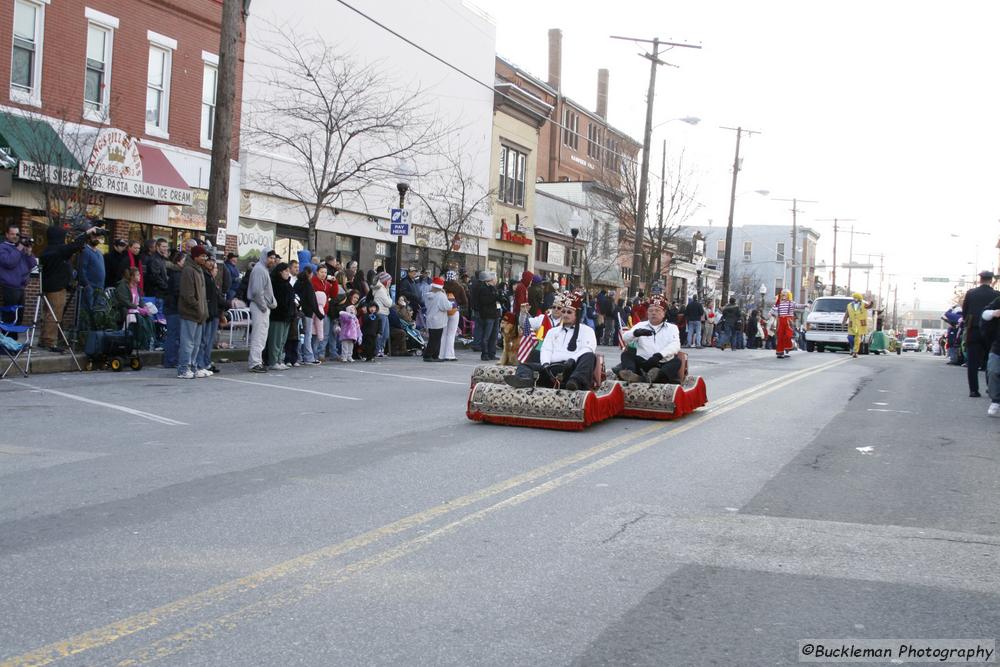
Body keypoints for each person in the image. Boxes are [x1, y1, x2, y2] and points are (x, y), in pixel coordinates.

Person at [505, 290, 598, 391]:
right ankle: (524, 380)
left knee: (590, 356)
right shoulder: (553, 331)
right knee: (525, 366)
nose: (565, 315)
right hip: (551, 369)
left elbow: (588, 349)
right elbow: (546, 349)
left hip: (572, 369)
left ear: (577, 314)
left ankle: (575, 383)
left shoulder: (586, 331)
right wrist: (545, 364)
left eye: (569, 312)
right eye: (564, 311)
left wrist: (573, 359)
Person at [38, 224, 94, 352]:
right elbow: (75, 246)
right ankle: (49, 341)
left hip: (49, 286)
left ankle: (43, 339)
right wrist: (87, 233)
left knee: (47, 314)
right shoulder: (58, 250)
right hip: (56, 288)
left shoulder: (48, 250)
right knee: (54, 315)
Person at [615, 294, 684, 384]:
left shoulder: (672, 328)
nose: (653, 313)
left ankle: (656, 376)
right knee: (627, 354)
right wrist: (635, 333)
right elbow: (625, 338)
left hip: (661, 362)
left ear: (664, 313)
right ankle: (631, 374)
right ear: (647, 313)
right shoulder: (640, 325)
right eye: (650, 311)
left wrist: (659, 355)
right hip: (643, 362)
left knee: (676, 362)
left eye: (657, 311)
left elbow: (675, 345)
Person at [961, 271, 1000, 398]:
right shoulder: (996, 294)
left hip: (974, 330)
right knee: (991, 360)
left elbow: (965, 312)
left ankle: (973, 390)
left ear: (980, 279)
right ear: (991, 280)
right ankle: (991, 388)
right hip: (991, 332)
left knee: (972, 362)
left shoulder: (971, 293)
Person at [177, 245, 209, 379]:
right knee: (188, 342)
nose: (205, 258)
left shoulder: (199, 270)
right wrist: (198, 307)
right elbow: (188, 295)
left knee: (196, 344)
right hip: (190, 313)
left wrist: (203, 311)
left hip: (199, 314)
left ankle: (193, 366)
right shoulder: (188, 270)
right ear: (195, 256)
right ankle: (183, 369)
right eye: (202, 256)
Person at [0, 222, 37, 339]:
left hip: (21, 287)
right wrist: (19, 248)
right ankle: (6, 342)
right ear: (6, 234)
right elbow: (9, 263)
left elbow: (32, 264)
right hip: (9, 286)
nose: (15, 236)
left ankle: (13, 342)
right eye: (12, 234)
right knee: (9, 316)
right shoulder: (3, 247)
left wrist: (29, 252)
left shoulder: (20, 249)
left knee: (19, 317)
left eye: (17, 234)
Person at [247, 249, 279, 373]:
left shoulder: (262, 269)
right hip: (259, 307)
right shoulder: (260, 270)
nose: (272, 260)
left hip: (261, 306)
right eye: (270, 257)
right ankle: (255, 363)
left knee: (261, 336)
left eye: (273, 258)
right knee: (258, 336)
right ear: (264, 257)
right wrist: (264, 306)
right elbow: (256, 291)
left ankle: (257, 361)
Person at [113, 267, 155, 351]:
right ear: (132, 277)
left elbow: (140, 300)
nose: (140, 276)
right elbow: (125, 302)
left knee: (149, 319)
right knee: (140, 319)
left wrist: (144, 307)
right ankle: (139, 343)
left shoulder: (136, 286)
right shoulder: (123, 286)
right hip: (126, 310)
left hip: (135, 310)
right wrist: (138, 308)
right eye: (137, 275)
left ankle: (148, 341)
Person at [198, 259, 225, 374]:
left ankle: (206, 362)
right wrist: (229, 303)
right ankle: (202, 363)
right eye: (215, 268)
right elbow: (215, 299)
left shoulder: (212, 280)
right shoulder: (208, 280)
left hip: (214, 313)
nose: (216, 271)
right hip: (209, 314)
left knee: (208, 341)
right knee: (205, 341)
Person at [266, 262, 295, 371]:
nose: (288, 273)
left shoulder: (288, 284)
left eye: (288, 271)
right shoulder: (275, 284)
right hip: (278, 316)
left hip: (287, 316)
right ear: (280, 272)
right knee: (276, 340)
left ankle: (279, 359)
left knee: (282, 340)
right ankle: (273, 361)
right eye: (286, 271)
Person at [77, 235, 106, 333]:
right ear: (89, 238)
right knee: (86, 311)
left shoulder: (99, 253)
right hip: (90, 287)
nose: (96, 239)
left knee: (97, 311)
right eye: (94, 237)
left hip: (99, 287)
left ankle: (94, 334)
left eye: (98, 237)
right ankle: (84, 334)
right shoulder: (85, 251)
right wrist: (86, 284)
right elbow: (82, 270)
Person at [162, 251, 185, 368]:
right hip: (173, 308)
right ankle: (170, 360)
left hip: (173, 307)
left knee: (175, 336)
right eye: (184, 260)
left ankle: (172, 359)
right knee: (173, 336)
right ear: (178, 261)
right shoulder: (177, 274)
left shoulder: (178, 273)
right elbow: (177, 291)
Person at [980, 295, 1000, 416]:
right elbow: (984, 314)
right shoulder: (999, 301)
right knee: (992, 370)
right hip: (998, 345)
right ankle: (996, 401)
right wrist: (994, 312)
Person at [423, 277, 450, 362]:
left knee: (433, 338)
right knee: (436, 339)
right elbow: (447, 307)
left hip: (430, 319)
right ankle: (429, 355)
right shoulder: (441, 296)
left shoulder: (427, 295)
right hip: (439, 320)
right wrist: (445, 295)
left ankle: (435, 355)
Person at [475, 271, 500, 361]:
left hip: (495, 314)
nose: (494, 281)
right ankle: (484, 353)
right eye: (493, 279)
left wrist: (499, 297)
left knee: (494, 335)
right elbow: (484, 301)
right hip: (488, 315)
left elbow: (496, 299)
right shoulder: (483, 288)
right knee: (486, 336)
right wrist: (495, 297)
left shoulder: (493, 288)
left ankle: (491, 353)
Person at [372, 271, 393, 357]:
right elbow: (389, 303)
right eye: (389, 280)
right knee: (381, 334)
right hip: (381, 313)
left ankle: (381, 349)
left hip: (385, 313)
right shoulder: (381, 290)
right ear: (385, 281)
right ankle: (377, 350)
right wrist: (389, 295)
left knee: (386, 334)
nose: (391, 282)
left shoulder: (384, 289)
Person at [845, 292, 870, 358]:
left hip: (860, 324)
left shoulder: (864, 304)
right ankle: (852, 348)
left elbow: (869, 306)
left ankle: (855, 352)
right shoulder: (849, 305)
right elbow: (847, 314)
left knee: (857, 339)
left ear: (859, 298)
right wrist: (843, 321)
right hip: (852, 324)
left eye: (856, 298)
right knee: (850, 337)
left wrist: (872, 303)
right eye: (854, 297)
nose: (855, 299)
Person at [338, 298, 362, 363]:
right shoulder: (345, 316)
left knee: (351, 347)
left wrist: (359, 336)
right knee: (345, 347)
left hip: (352, 336)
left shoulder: (355, 319)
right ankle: (344, 357)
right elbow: (342, 315)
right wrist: (349, 315)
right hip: (345, 335)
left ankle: (349, 357)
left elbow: (358, 327)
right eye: (350, 309)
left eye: (353, 309)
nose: (352, 310)